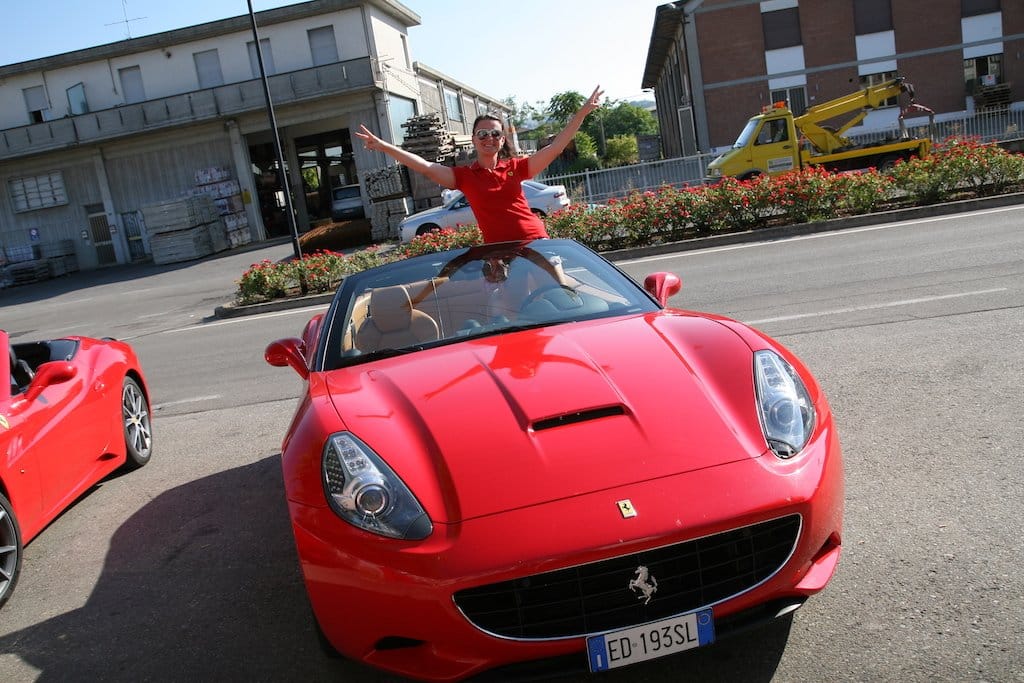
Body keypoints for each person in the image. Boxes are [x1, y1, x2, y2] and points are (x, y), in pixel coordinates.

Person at [355, 86, 603, 243]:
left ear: (502, 139)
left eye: (495, 134)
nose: (489, 139)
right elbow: (423, 166)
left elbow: (556, 147)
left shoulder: (516, 168)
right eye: (482, 134)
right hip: (498, 253)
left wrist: (581, 113)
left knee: (561, 294)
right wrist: (384, 146)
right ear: (473, 139)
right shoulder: (464, 177)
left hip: (536, 240)